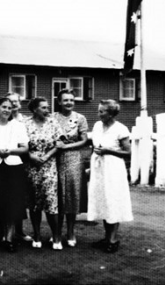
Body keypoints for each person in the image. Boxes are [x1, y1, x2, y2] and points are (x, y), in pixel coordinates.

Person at [0, 97, 29, 252]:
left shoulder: (19, 126)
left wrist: (10, 151)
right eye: (3, 107)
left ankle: (8, 238)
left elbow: (24, 148)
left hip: (13, 167)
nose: (7, 110)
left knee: (12, 202)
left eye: (9, 107)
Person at [88, 99, 133, 253]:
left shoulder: (121, 129)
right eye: (99, 111)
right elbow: (93, 147)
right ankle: (106, 237)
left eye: (102, 111)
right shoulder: (97, 126)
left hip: (114, 169)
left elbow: (128, 152)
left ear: (111, 113)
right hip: (99, 169)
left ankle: (113, 240)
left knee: (113, 201)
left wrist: (109, 151)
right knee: (103, 201)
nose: (99, 114)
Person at [24, 97, 62, 250]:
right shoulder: (25, 124)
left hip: (49, 164)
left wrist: (46, 156)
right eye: (44, 108)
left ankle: (57, 236)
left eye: (48, 107)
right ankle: (37, 235)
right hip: (31, 165)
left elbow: (59, 143)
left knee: (51, 200)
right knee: (34, 202)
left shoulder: (52, 122)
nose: (47, 110)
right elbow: (21, 144)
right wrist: (31, 156)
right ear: (34, 109)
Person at [52, 89, 89, 247]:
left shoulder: (80, 118)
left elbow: (84, 140)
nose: (69, 103)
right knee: (58, 194)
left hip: (74, 158)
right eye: (65, 100)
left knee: (72, 194)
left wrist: (67, 147)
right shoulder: (52, 117)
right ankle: (57, 232)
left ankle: (71, 231)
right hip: (55, 158)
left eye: (71, 100)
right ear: (59, 102)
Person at [6, 91, 33, 244]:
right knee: (6, 196)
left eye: (16, 101)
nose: (14, 104)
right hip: (6, 161)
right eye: (10, 101)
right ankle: (4, 233)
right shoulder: (0, 119)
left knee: (19, 197)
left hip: (23, 162)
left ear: (20, 103)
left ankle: (19, 231)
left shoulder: (26, 122)